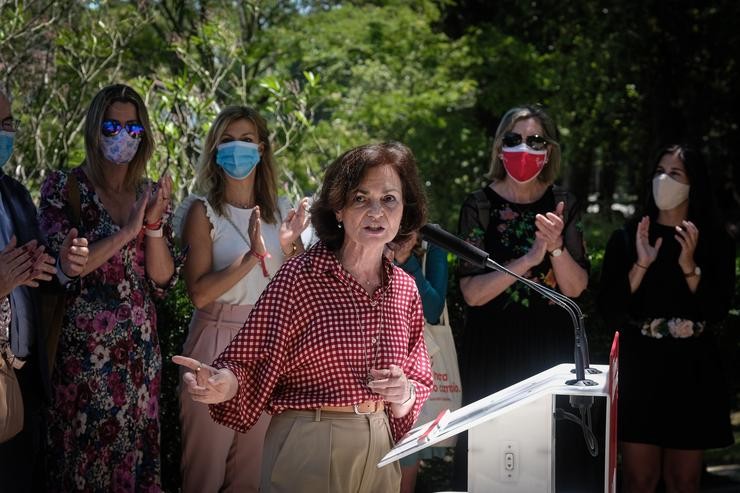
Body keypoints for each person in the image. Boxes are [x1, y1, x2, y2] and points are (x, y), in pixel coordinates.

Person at [174, 142, 433, 493]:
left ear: (405, 210)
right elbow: (251, 358)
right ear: (338, 209)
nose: (376, 211)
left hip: (380, 448)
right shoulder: (301, 276)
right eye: (360, 198)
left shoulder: (404, 288)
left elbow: (419, 378)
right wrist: (225, 385)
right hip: (309, 443)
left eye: (389, 199)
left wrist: (403, 393)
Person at [37, 84, 178, 491]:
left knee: (133, 466)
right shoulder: (65, 188)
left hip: (139, 362)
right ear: (95, 128)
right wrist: (127, 231)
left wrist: (150, 227)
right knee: (81, 467)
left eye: (133, 128)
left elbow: (163, 280)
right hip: (83, 364)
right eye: (113, 125)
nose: (123, 136)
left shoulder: (147, 192)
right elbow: (69, 265)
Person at [453, 105, 589, 488]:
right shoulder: (478, 205)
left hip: (551, 352)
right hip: (492, 351)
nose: (524, 148)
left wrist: (557, 246)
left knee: (550, 464)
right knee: (491, 465)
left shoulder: (565, 202)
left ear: (549, 150)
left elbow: (576, 289)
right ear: (499, 148)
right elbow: (473, 293)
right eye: (513, 139)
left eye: (535, 140)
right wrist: (529, 259)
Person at [178, 105, 310, 493]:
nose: (238, 149)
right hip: (214, 339)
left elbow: (302, 285)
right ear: (215, 150)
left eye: (247, 140)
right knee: (204, 473)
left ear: (263, 149)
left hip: (267, 344)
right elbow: (199, 294)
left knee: (252, 477)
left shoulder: (283, 211)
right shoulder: (202, 212)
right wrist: (252, 256)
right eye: (228, 141)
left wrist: (291, 245)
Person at [598, 144, 735, 493]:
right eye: (659, 171)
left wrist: (690, 268)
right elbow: (610, 310)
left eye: (675, 174)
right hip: (641, 368)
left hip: (693, 371)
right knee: (639, 479)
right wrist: (641, 264)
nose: (664, 179)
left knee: (683, 480)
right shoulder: (628, 238)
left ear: (694, 184)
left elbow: (717, 310)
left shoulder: (715, 241)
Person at [0, 86, 89, 493]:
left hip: (23, 385)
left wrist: (64, 267)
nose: (3, 135)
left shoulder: (14, 194)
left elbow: (37, 276)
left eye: (6, 125)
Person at [385, 231, 448, 493]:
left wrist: (407, 259)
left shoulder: (433, 243)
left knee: (405, 458)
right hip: (367, 364)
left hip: (412, 371)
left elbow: (433, 310)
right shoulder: (373, 234)